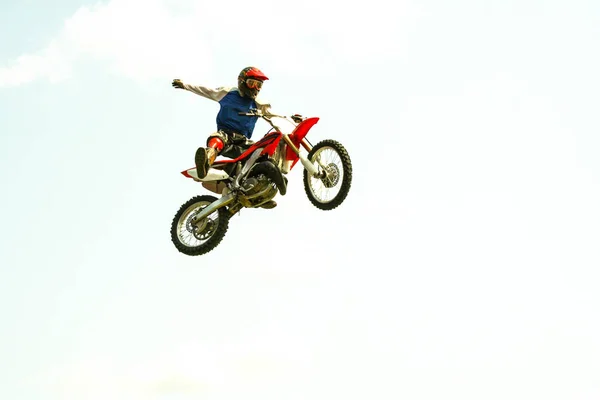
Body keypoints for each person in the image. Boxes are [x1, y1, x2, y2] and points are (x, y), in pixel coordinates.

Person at [172, 66, 277, 208]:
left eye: (259, 85)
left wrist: (293, 120)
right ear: (242, 81)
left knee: (263, 155)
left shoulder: (260, 103)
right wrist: (185, 85)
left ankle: (259, 194)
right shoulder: (228, 93)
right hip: (226, 134)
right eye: (252, 83)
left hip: (244, 142)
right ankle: (206, 160)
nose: (255, 88)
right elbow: (207, 91)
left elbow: (275, 117)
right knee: (218, 138)